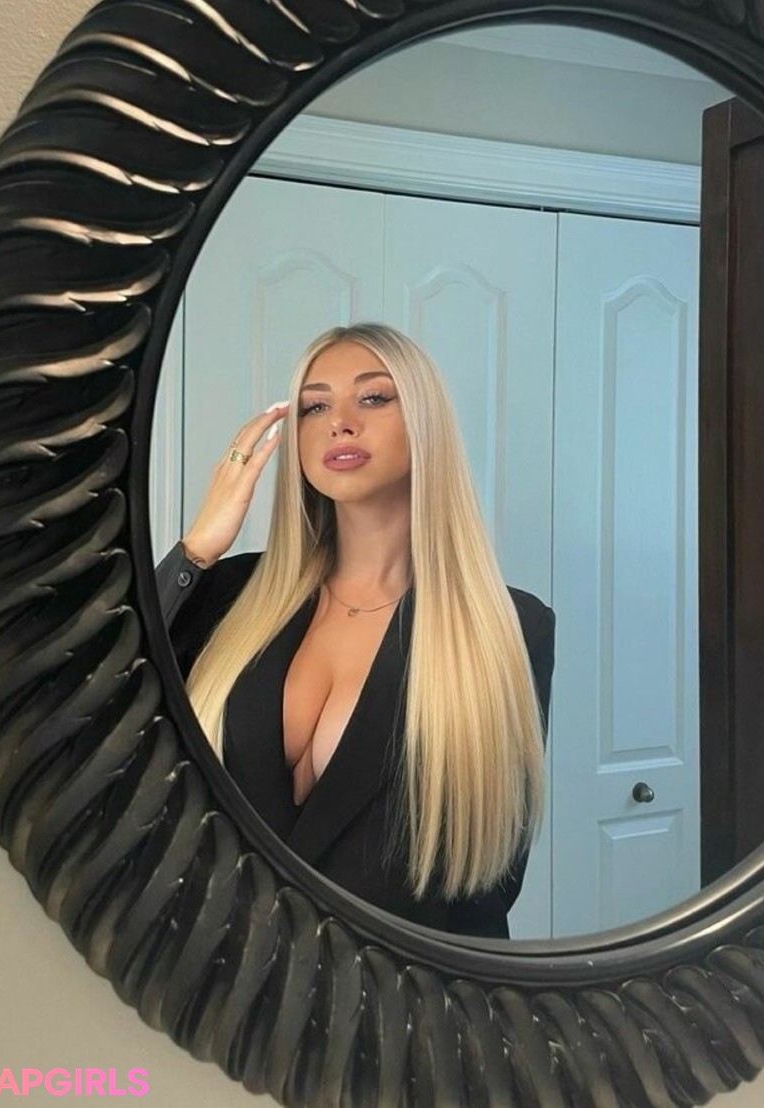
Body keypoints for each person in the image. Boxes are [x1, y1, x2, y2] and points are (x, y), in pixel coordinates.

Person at [156, 323, 555, 937]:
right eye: (315, 407)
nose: (340, 423)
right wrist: (196, 549)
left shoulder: (508, 628)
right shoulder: (228, 592)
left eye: (373, 397)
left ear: (425, 423)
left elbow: (488, 883)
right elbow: (105, 717)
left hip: (389, 984)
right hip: (211, 971)